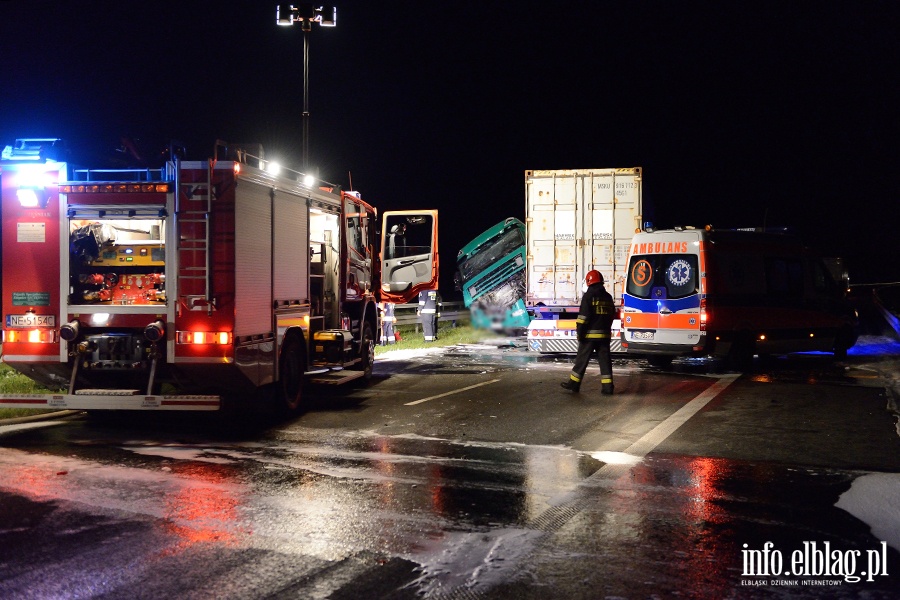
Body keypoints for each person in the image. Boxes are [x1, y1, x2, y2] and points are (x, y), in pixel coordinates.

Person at [561, 270, 615, 394]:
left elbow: (583, 318)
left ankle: (574, 384)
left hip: (589, 336)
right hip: (604, 336)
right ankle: (608, 388)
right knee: (605, 362)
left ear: (589, 282)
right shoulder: (608, 297)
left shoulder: (588, 296)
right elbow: (611, 315)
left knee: (582, 360)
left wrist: (580, 333)